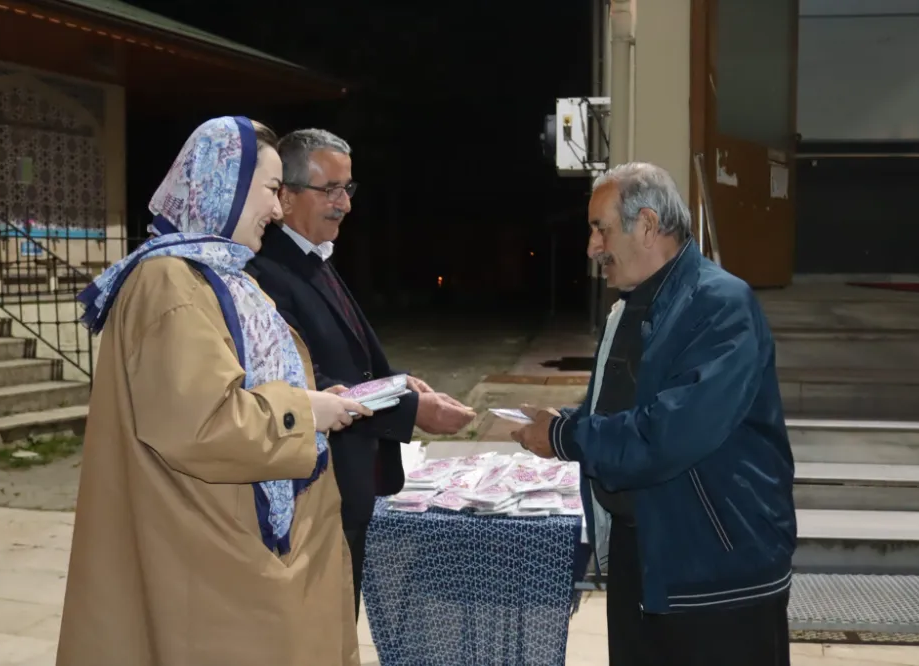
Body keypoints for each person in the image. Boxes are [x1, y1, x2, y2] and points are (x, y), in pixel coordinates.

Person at [56, 117, 371, 666]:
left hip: (230, 539)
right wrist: (307, 412)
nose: (277, 211)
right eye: (272, 191)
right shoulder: (170, 283)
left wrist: (313, 399)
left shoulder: (216, 274)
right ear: (224, 185)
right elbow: (201, 425)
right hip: (212, 552)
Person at [511, 163, 796, 666]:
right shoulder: (631, 306)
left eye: (601, 228)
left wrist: (564, 435)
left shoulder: (720, 304)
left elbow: (668, 434)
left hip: (715, 570)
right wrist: (574, 419)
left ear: (645, 224)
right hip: (644, 558)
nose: (592, 247)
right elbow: (631, 408)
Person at [247, 128, 476, 615]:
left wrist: (399, 382)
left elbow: (354, 360)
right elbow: (313, 384)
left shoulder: (313, 258)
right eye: (329, 190)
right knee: (320, 630)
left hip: (351, 486)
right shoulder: (269, 271)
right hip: (317, 490)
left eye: (347, 189)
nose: (344, 204)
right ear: (284, 196)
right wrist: (413, 410)